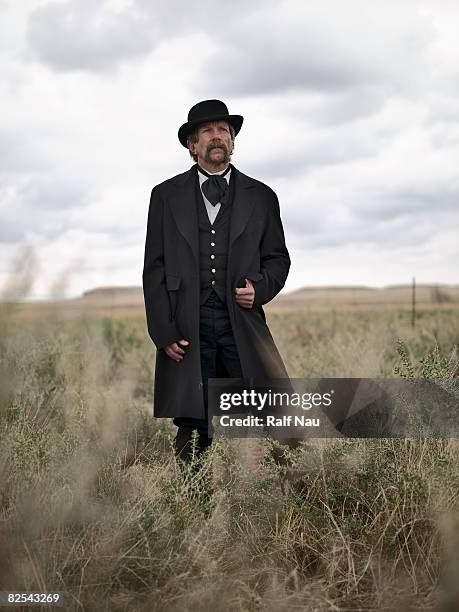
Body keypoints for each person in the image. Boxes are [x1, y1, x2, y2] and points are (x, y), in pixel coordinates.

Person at [142, 99, 292, 463]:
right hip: (188, 325)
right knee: (194, 422)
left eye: (224, 130)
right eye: (207, 131)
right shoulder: (164, 196)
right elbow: (155, 268)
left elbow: (278, 259)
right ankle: (195, 505)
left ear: (233, 141)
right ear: (192, 145)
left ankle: (290, 493)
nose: (217, 136)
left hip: (240, 322)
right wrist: (162, 332)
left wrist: (259, 288)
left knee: (274, 412)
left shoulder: (263, 196)